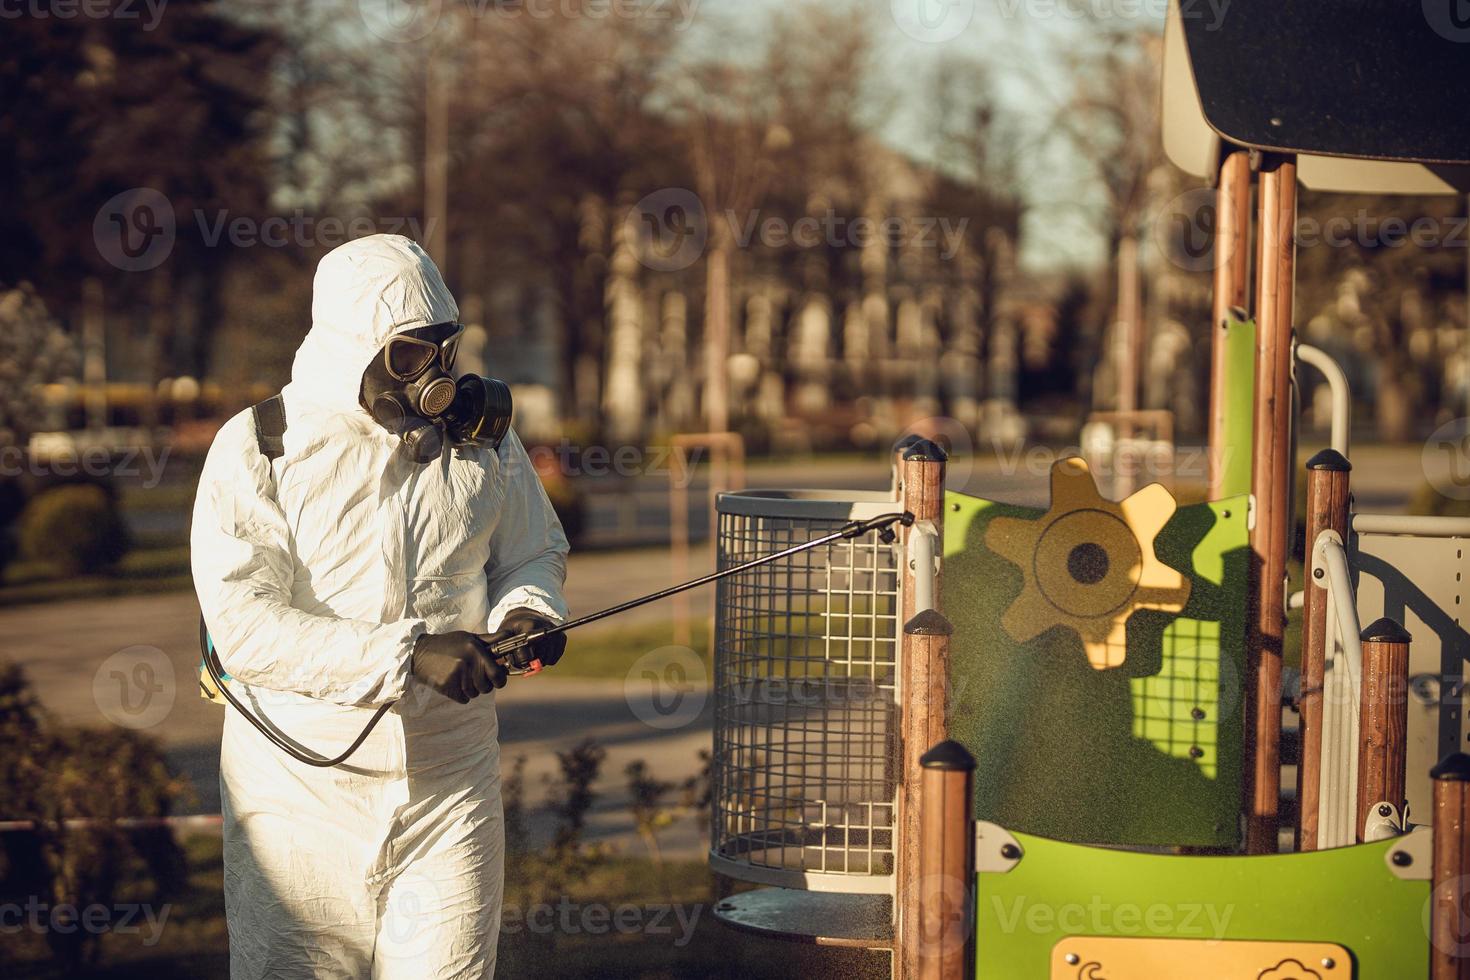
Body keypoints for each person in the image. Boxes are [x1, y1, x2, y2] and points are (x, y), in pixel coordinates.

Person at [191, 234, 568, 978]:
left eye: (442, 349)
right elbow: (244, 628)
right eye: (407, 355)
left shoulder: (482, 441)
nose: (432, 375)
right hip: (298, 801)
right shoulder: (261, 449)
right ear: (348, 347)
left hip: (448, 788)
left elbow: (532, 550)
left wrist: (527, 611)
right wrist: (409, 655)